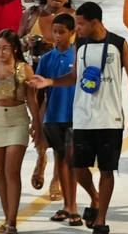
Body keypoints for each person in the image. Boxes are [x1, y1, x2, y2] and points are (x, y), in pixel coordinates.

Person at [28, 1, 128, 234]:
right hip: (82, 117)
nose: (77, 29)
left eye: (80, 24)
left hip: (110, 118)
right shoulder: (80, 45)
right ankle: (95, 197)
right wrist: (50, 81)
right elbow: (73, 77)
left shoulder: (118, 44)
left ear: (94, 22)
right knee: (77, 166)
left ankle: (100, 219)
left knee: (107, 169)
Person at [0, 30, 39, 234]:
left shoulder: (24, 68)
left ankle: (12, 220)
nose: (0, 52)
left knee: (12, 171)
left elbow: (31, 98)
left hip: (18, 118)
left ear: (13, 49)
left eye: (4, 48)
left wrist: (37, 123)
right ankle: (6, 217)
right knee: (0, 172)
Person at [34, 12, 80, 225]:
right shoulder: (46, 58)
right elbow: (39, 93)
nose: (57, 36)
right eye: (54, 32)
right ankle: (67, 204)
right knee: (60, 158)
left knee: (73, 160)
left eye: (62, 32)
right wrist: (37, 119)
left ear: (73, 33)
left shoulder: (78, 56)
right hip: (53, 116)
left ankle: (74, 205)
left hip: (74, 116)